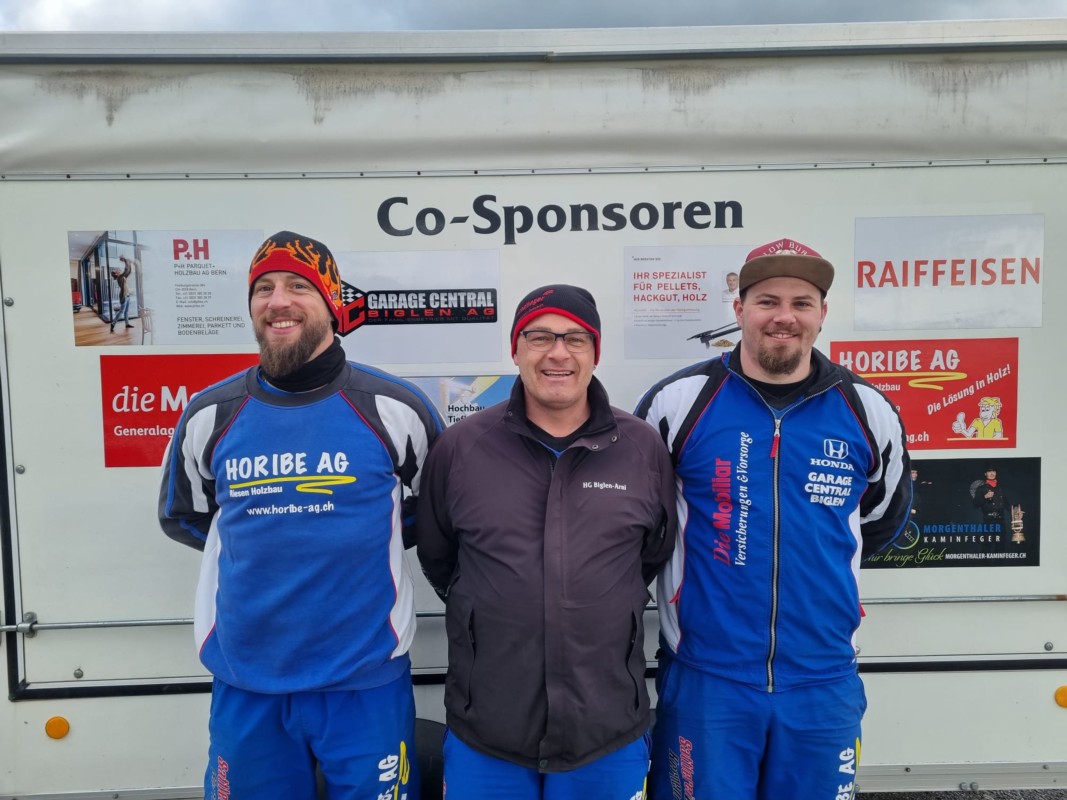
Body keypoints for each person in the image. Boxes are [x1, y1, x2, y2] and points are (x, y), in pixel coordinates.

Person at [158, 230, 442, 800]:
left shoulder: (395, 408)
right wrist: (274, 535)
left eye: (298, 286)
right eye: (263, 288)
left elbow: (435, 517)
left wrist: (360, 539)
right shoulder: (211, 413)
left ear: (332, 304)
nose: (278, 301)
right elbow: (186, 516)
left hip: (365, 680)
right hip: (248, 680)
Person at [636, 238, 912, 800]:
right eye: (767, 301)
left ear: (822, 313)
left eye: (801, 302)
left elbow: (881, 519)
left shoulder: (868, 409)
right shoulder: (678, 401)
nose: (784, 316)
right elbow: (641, 522)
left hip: (822, 678)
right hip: (708, 677)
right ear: (739, 309)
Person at [417, 284, 676, 800]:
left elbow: (649, 556)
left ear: (595, 352)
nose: (558, 353)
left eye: (575, 339)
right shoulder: (461, 447)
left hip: (605, 731)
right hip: (487, 729)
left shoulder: (641, 448)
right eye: (539, 337)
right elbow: (440, 558)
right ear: (515, 350)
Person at [110, 255, 135, 332]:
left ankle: (127, 324)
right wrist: (125, 261)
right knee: (121, 311)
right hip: (123, 296)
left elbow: (128, 271)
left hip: (127, 295)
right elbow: (126, 270)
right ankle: (113, 324)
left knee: (126, 311)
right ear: (116, 274)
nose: (118, 270)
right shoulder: (120, 277)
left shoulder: (122, 277)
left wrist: (129, 263)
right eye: (116, 271)